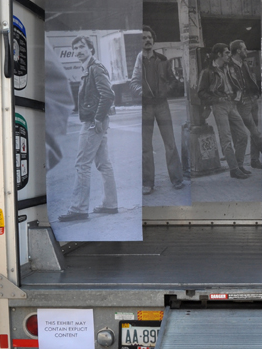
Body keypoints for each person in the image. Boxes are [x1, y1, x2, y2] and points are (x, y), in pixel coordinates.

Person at [58, 36, 118, 222]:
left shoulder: (95, 68)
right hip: (96, 121)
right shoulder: (89, 68)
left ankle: (79, 208)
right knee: (103, 164)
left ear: (91, 49)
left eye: (82, 47)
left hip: (93, 122)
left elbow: (107, 95)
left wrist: (98, 119)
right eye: (75, 48)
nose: (78, 51)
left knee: (82, 164)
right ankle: (110, 204)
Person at [130, 26, 185, 196]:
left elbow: (173, 80)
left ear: (153, 41)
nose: (147, 40)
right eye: (143, 38)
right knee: (145, 147)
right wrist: (142, 93)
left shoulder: (162, 59)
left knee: (170, 143)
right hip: (146, 107)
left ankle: (177, 179)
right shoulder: (138, 61)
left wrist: (165, 91)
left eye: (149, 37)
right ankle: (147, 183)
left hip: (162, 105)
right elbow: (133, 83)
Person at [197, 43, 249, 179]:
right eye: (226, 53)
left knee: (243, 135)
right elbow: (201, 92)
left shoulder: (229, 68)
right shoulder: (207, 72)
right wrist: (215, 100)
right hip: (219, 106)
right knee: (226, 138)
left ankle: (238, 165)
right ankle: (234, 169)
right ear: (219, 54)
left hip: (231, 104)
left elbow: (237, 84)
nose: (228, 55)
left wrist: (238, 95)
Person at [228, 40, 262, 169]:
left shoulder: (244, 63)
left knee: (255, 132)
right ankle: (240, 164)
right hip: (241, 104)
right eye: (244, 49)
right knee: (250, 133)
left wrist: (255, 95)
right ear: (238, 51)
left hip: (252, 100)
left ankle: (254, 160)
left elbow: (250, 79)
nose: (246, 51)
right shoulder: (229, 65)